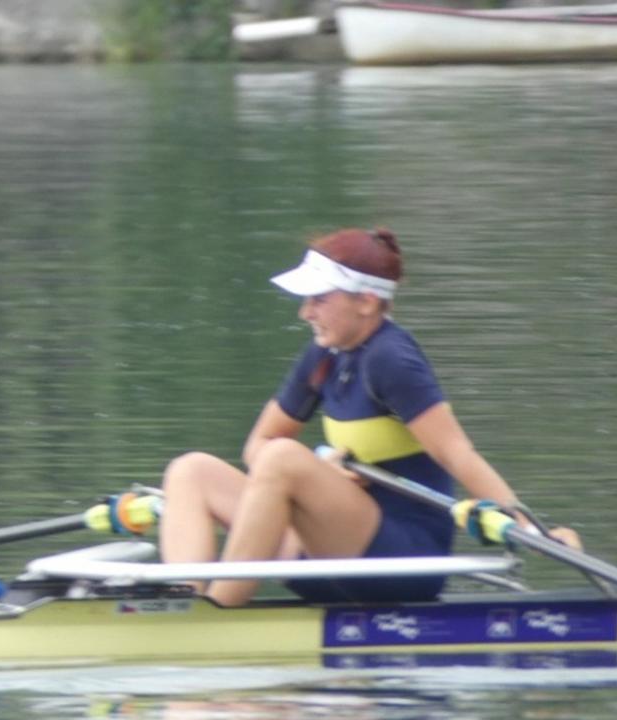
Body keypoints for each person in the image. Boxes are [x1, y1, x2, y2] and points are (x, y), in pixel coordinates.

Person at [159, 226, 574, 607]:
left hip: (403, 560)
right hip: (330, 551)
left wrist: (531, 528)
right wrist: (322, 471)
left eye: (320, 299)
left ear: (367, 302)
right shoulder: (323, 354)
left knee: (283, 459)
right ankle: (180, 603)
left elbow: (457, 453)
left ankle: (219, 612)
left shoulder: (392, 359)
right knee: (190, 471)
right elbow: (258, 446)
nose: (306, 313)